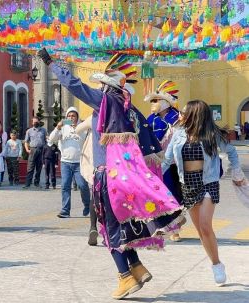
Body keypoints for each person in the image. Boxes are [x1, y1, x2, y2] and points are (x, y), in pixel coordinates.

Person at [38, 48, 183, 299]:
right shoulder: (130, 108)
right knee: (124, 226)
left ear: (109, 85)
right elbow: (149, 141)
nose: (101, 89)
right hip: (125, 175)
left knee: (110, 228)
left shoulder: (107, 100)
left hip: (108, 175)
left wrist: (51, 64)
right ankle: (137, 268)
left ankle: (125, 277)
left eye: (103, 84)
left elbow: (75, 85)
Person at [162, 100, 246, 286]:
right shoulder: (178, 134)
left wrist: (237, 172)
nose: (180, 115)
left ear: (194, 114)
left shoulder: (211, 134)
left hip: (208, 182)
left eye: (183, 112)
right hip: (188, 184)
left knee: (205, 225)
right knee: (201, 230)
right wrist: (151, 179)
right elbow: (167, 161)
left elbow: (231, 151)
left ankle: (217, 267)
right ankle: (215, 261)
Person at [145, 80, 185, 242]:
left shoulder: (178, 119)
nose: (153, 103)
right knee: (156, 196)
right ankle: (159, 226)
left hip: (173, 164)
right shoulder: (150, 119)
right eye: (152, 100)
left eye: (156, 100)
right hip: (155, 163)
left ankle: (175, 229)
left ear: (167, 102)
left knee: (173, 196)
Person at [49, 107, 91, 217]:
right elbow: (52, 139)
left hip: (79, 162)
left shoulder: (83, 127)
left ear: (77, 117)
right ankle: (65, 210)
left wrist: (78, 127)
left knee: (82, 185)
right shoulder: (63, 128)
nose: (71, 118)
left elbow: (88, 140)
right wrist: (57, 128)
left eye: (73, 116)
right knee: (65, 186)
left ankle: (87, 205)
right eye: (69, 116)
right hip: (65, 162)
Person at [74, 116, 99, 245]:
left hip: (95, 163)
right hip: (114, 163)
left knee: (95, 195)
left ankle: (93, 227)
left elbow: (78, 130)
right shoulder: (120, 115)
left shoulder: (94, 117)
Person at [23, 116, 47, 189]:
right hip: (32, 150)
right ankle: (27, 184)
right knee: (30, 167)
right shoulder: (29, 131)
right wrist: (27, 149)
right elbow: (26, 141)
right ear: (32, 122)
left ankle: (37, 183)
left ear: (39, 122)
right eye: (34, 122)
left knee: (39, 167)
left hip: (41, 150)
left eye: (36, 122)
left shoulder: (43, 130)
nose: (35, 123)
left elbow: (46, 140)